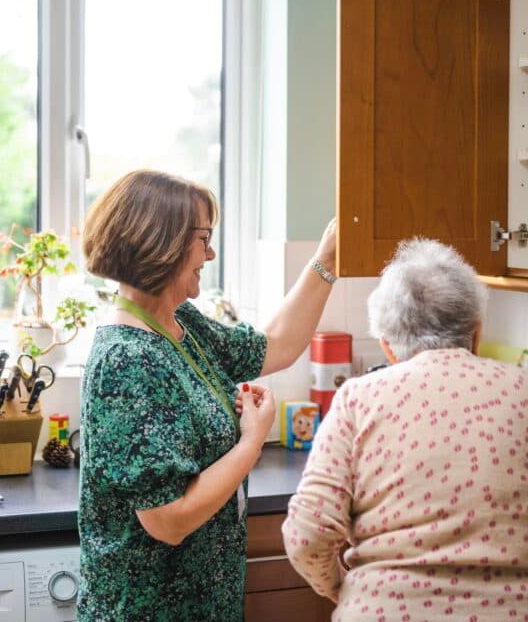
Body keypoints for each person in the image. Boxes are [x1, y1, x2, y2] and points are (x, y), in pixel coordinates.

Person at [283, 238, 528, 621]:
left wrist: (343, 588)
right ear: (476, 334)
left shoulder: (356, 400)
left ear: (388, 348)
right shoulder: (526, 389)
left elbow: (306, 535)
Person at [77, 169, 337, 620]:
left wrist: (326, 262)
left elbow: (274, 346)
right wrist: (251, 441)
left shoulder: (182, 324)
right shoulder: (127, 360)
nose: (210, 253)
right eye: (203, 238)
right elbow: (168, 520)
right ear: (163, 244)